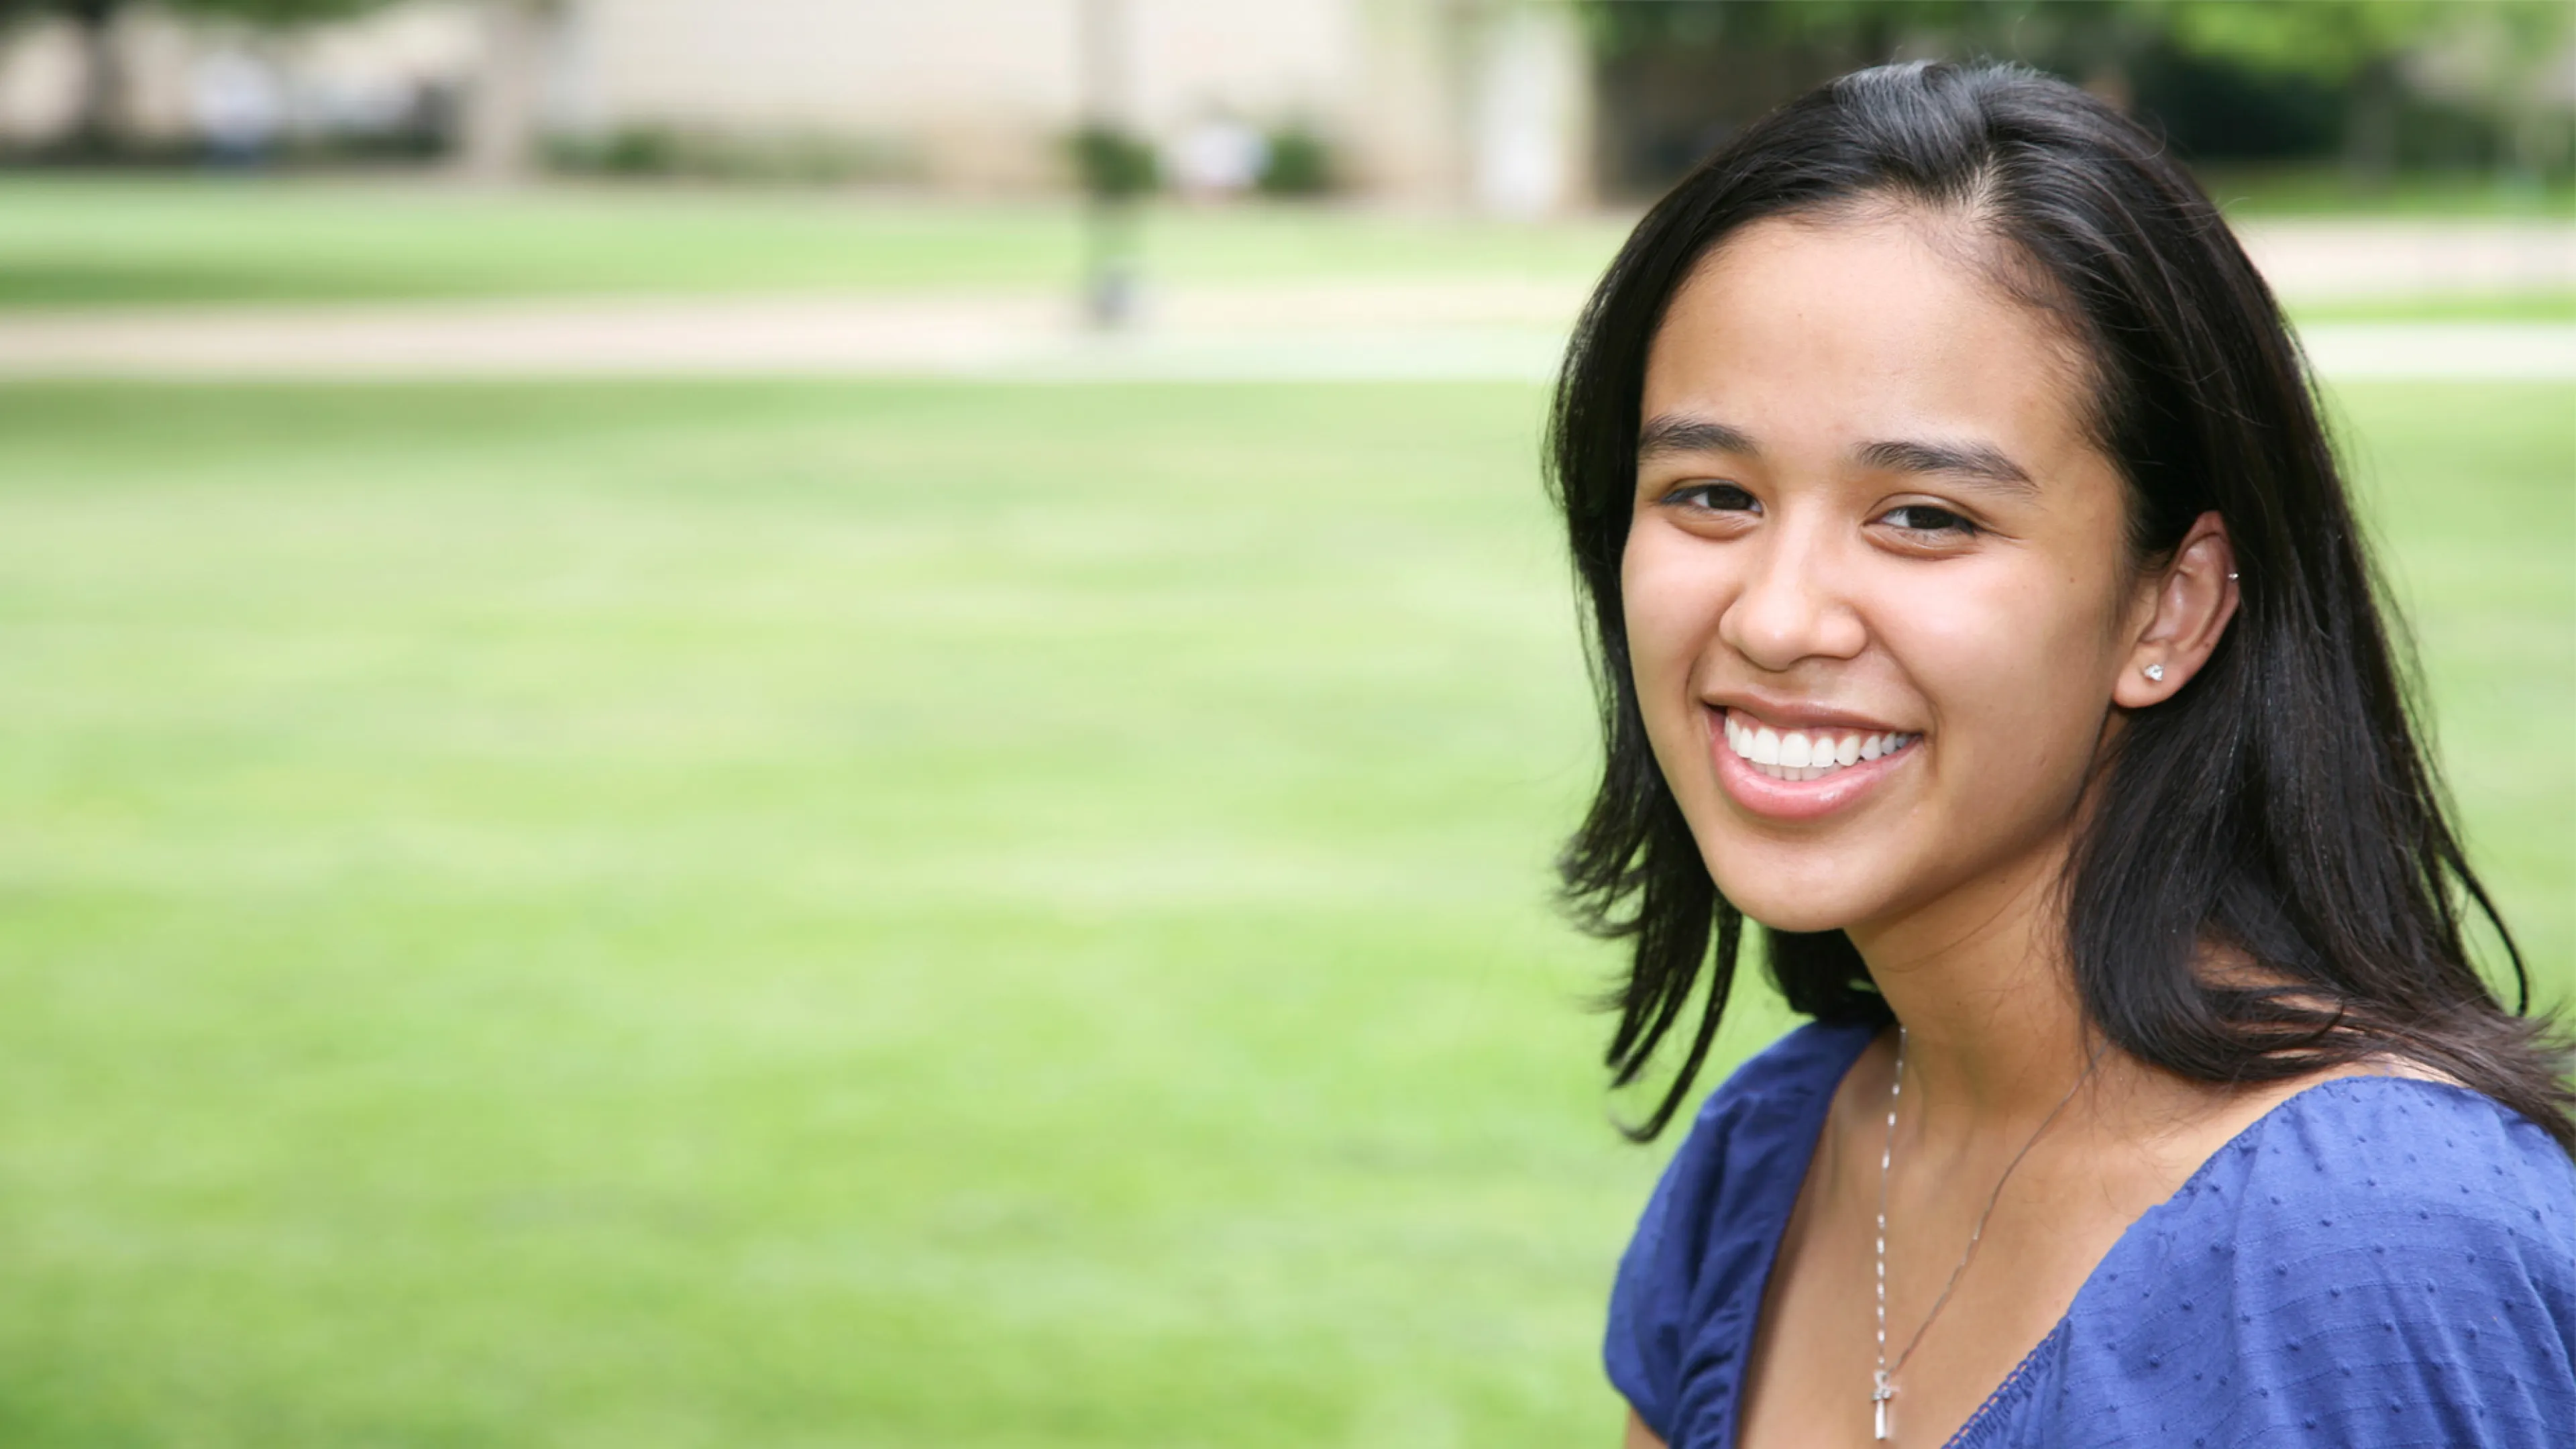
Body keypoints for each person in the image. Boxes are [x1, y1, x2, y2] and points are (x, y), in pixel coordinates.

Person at [1546, 62, 2575, 1449]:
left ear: (2172, 607)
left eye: (1925, 516)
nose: (1776, 619)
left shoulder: (2376, 1249)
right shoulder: (1772, 1159)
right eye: (1712, 494)